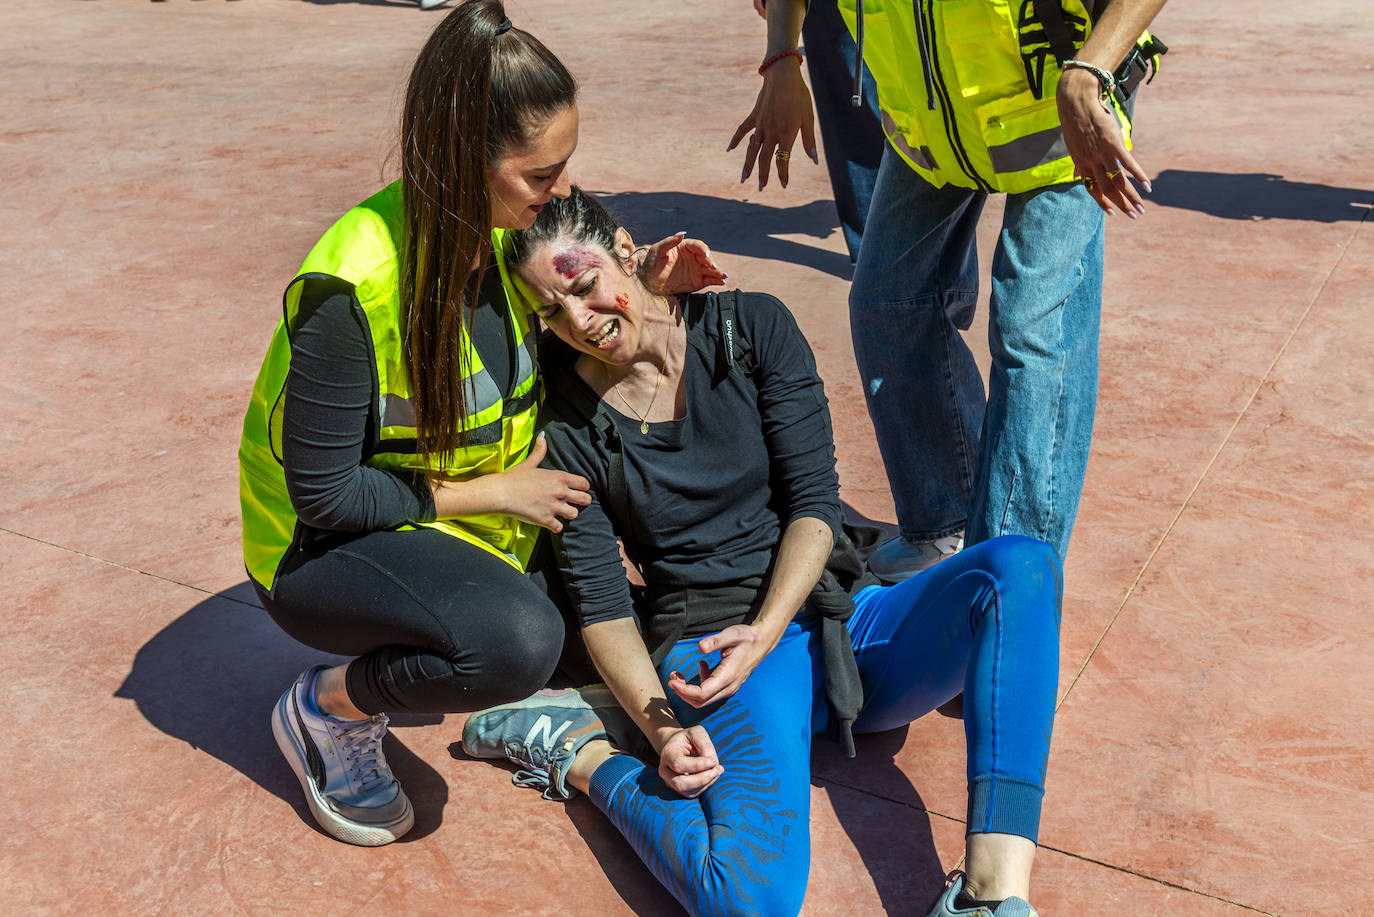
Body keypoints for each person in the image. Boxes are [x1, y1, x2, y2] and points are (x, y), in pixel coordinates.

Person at [462, 188, 1063, 917]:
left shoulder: (751, 328)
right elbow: (602, 603)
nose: (581, 323)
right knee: (749, 900)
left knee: (1021, 569)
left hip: (832, 614)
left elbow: (814, 503)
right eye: (552, 312)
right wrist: (658, 725)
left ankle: (986, 895)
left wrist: (771, 626)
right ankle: (579, 749)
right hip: (713, 654)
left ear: (626, 249)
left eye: (585, 286)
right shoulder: (568, 422)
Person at [238, 0, 722, 847]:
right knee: (515, 644)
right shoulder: (352, 284)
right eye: (543, 175)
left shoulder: (509, 230)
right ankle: (329, 709)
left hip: (477, 523)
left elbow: (593, 272)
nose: (561, 190)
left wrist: (651, 282)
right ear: (470, 159)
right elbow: (323, 494)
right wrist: (496, 490)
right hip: (318, 549)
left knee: (628, 632)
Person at [731, 0, 1168, 580]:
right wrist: (783, 57)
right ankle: (946, 524)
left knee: (1033, 329)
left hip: (1058, 107)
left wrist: (1092, 69)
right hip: (931, 127)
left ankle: (1009, 576)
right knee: (887, 303)